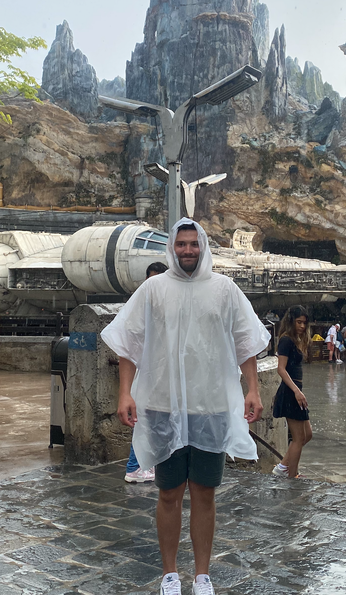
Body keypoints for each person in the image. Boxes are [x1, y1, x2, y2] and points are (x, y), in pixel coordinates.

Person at [104, 218, 267, 595]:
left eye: (194, 244)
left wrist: (253, 389)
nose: (188, 250)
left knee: (205, 493)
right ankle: (170, 574)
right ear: (171, 248)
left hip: (210, 405)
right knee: (169, 492)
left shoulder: (224, 289)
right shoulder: (154, 289)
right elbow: (130, 342)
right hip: (162, 405)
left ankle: (203, 575)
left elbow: (246, 342)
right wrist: (125, 393)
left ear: (203, 246)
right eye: (181, 244)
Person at [124, 261, 169, 484]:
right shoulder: (143, 306)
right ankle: (135, 466)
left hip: (157, 375)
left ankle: (143, 465)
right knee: (144, 421)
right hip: (147, 375)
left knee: (151, 422)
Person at [271, 306, 312, 479]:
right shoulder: (286, 340)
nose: (302, 326)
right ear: (291, 321)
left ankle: (282, 467)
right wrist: (296, 391)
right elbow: (281, 369)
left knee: (307, 435)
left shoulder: (296, 340)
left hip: (296, 390)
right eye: (298, 322)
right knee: (298, 438)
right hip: (290, 392)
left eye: (304, 323)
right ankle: (292, 476)